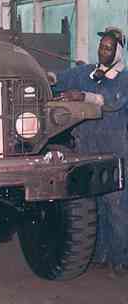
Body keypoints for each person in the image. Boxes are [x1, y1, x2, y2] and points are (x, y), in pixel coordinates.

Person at [50, 26, 128, 276]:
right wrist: (47, 77)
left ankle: (120, 259)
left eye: (108, 48)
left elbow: (111, 102)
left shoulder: (124, 79)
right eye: (101, 47)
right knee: (94, 202)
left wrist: (82, 95)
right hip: (86, 146)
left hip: (112, 149)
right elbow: (60, 78)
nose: (102, 51)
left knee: (116, 204)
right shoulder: (87, 72)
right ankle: (100, 255)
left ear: (118, 52)